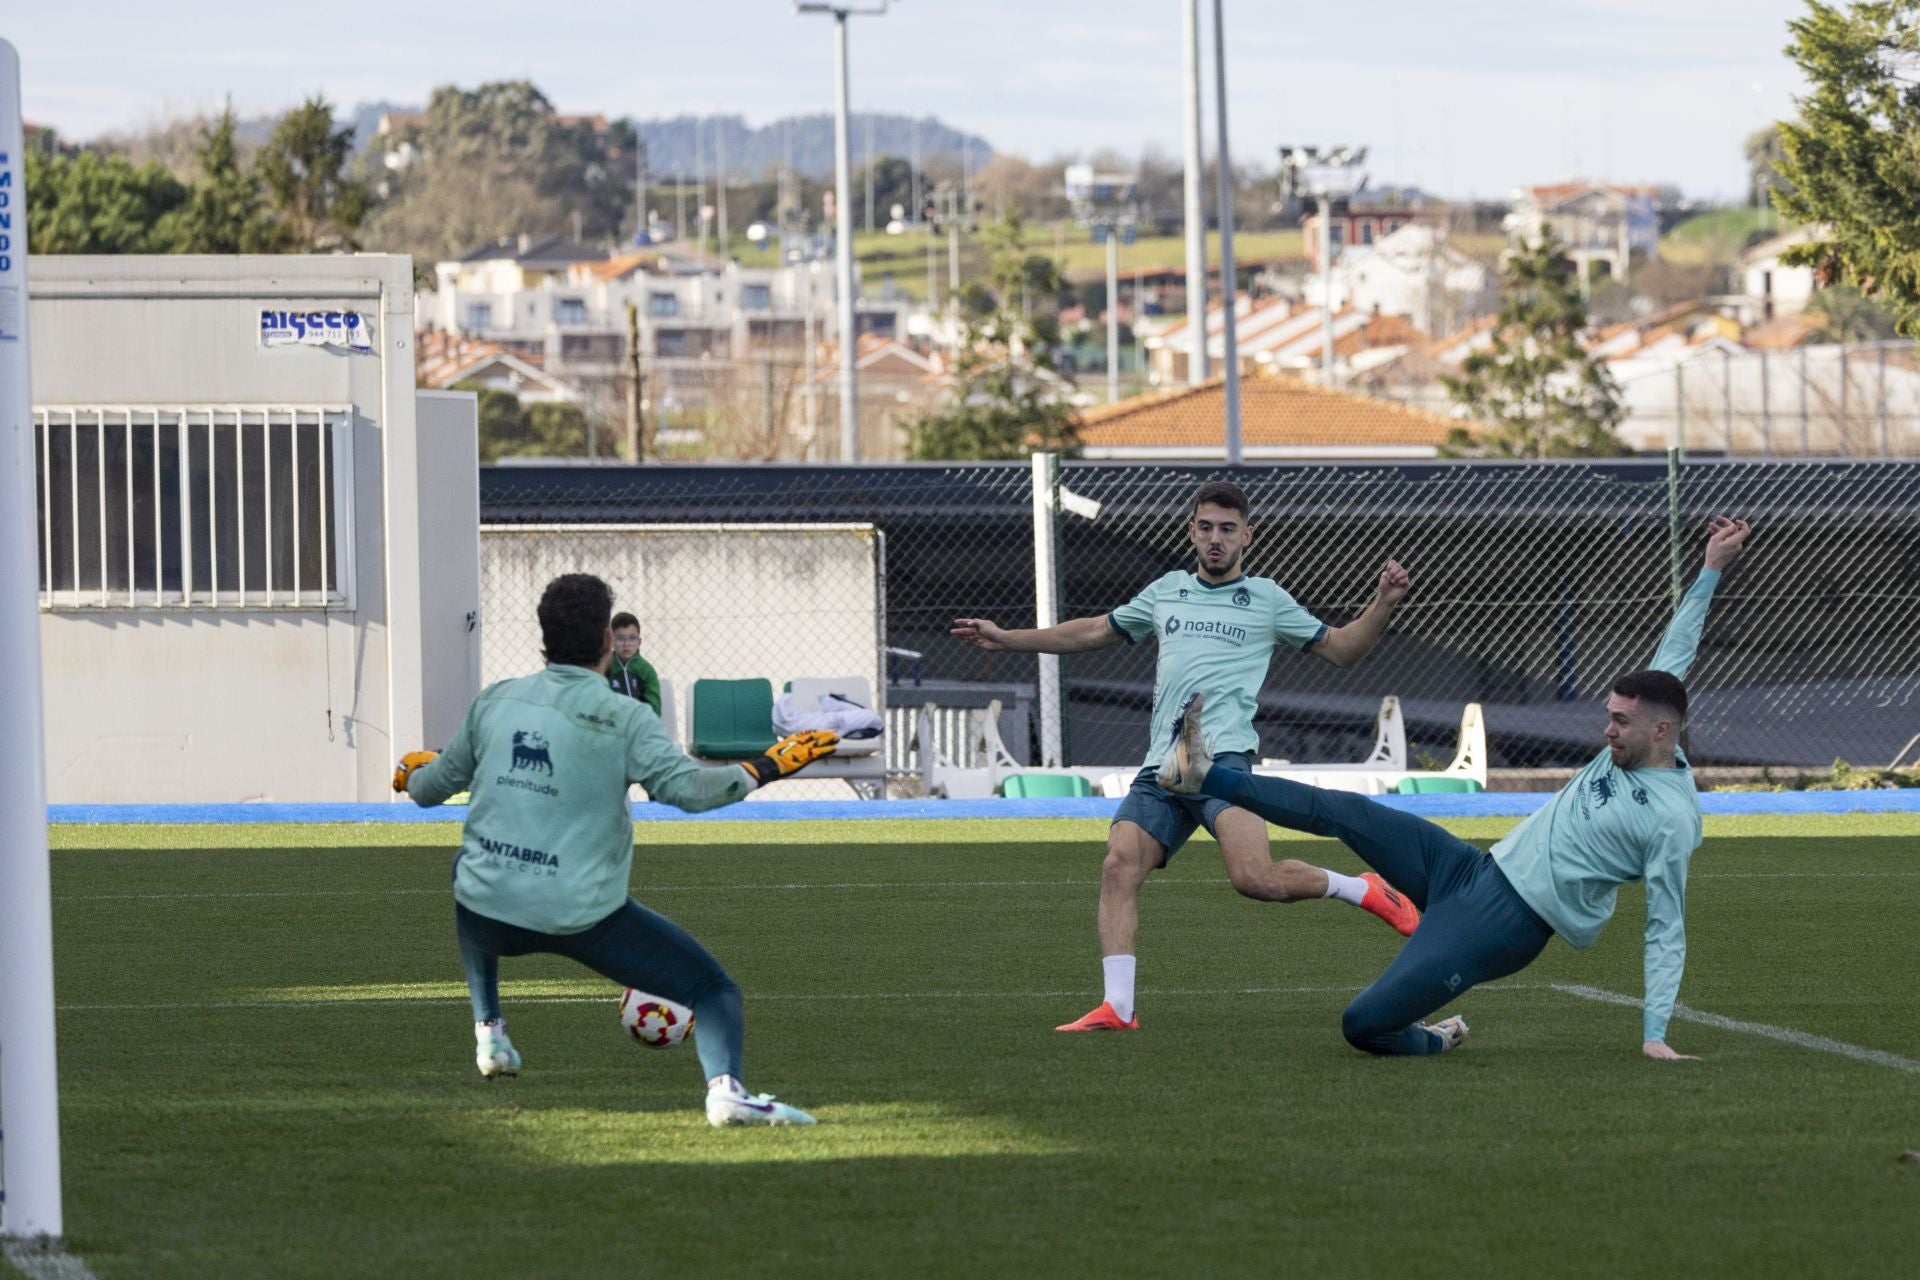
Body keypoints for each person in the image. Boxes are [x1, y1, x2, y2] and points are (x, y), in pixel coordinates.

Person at [1157, 517, 1753, 1060]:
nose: (1607, 730)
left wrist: (1655, 1036)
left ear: (1662, 729)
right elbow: (1678, 647)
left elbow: (1666, 925)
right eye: (1610, 715)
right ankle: (1203, 773)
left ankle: (1432, 1038)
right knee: (1342, 809)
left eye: (1620, 722)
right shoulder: (1644, 728)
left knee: (1362, 1024)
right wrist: (1710, 568)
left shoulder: (1674, 819)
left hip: (1504, 924)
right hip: (1469, 869)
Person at [951, 480, 1417, 1033]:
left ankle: (1362, 889)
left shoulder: (1267, 598)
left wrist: (1382, 604)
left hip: (1221, 764)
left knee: (1256, 879)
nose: (1215, 538)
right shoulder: (1167, 590)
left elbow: (1342, 650)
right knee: (1119, 866)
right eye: (1206, 527)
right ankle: (1118, 1009)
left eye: (1227, 528)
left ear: (1248, 535)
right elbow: (1095, 631)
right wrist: (1007, 638)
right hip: (1165, 766)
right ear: (1190, 531)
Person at [392, 573, 839, 1125]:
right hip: (581, 917)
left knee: (468, 869)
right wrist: (767, 765)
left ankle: (491, 1035)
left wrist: (412, 773)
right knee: (712, 990)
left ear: (544, 636)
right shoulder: (626, 718)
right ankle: (727, 1092)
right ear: (606, 640)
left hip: (490, 917)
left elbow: (429, 788)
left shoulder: (495, 701)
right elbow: (691, 792)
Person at [607, 612, 662, 717]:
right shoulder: (605, 667)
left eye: (632, 638)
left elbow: (655, 709)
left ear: (639, 642)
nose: (626, 644)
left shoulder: (646, 670)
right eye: (620, 638)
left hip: (640, 727)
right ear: (611, 641)